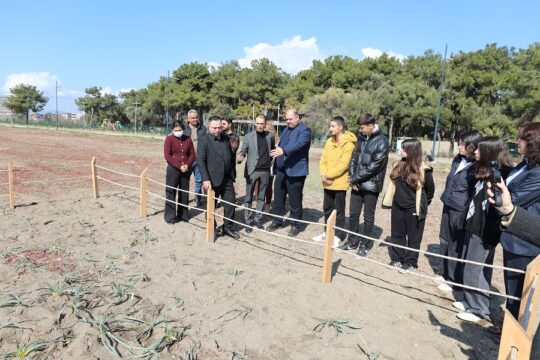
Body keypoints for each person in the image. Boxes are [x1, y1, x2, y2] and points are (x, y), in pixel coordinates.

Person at [454, 136, 514, 323]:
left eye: (479, 149)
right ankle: (471, 300)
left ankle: (479, 309)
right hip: (473, 225)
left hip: (484, 231)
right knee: (473, 266)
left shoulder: (500, 176)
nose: (475, 152)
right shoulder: (483, 171)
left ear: (489, 152)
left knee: (474, 268)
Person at [500, 122, 540, 319]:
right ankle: (508, 324)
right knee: (511, 286)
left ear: (533, 143)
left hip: (525, 241)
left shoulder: (538, 172)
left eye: (521, 138)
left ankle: (514, 333)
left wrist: (500, 194)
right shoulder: (525, 164)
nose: (517, 142)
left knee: (519, 290)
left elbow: (515, 198)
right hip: (512, 234)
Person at [437, 130, 482, 292]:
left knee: (456, 243)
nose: (459, 146)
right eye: (459, 143)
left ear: (473, 146)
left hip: (461, 209)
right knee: (444, 239)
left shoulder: (477, 166)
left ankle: (453, 279)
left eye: (463, 144)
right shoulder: (457, 161)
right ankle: (444, 272)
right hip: (448, 204)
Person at [340, 113, 389, 257]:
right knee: (354, 214)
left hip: (371, 185)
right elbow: (354, 159)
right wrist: (353, 178)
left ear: (371, 125)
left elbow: (375, 166)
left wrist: (355, 178)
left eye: (362, 128)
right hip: (356, 184)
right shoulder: (360, 138)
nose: (360, 131)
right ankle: (352, 241)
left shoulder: (382, 141)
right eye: (359, 128)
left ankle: (365, 244)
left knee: (368, 216)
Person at [382, 139, 435, 272]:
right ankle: (397, 259)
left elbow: (430, 191)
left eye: (404, 149)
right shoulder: (398, 165)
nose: (401, 151)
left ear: (412, 151)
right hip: (397, 207)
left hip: (413, 209)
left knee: (414, 237)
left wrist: (422, 204)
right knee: (397, 234)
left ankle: (411, 262)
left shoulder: (424, 170)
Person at [312, 116, 357, 247]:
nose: (330, 128)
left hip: (339, 183)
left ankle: (338, 235)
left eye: (333, 126)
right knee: (327, 209)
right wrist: (324, 175)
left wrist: (329, 175)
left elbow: (344, 165)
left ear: (340, 127)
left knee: (339, 210)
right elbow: (323, 160)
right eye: (330, 126)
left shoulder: (349, 145)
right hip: (327, 182)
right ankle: (327, 232)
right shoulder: (328, 142)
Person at [267, 109, 312, 237]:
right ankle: (277, 221)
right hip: (281, 170)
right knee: (279, 197)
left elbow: (299, 145)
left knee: (295, 199)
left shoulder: (305, 130)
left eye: (290, 119)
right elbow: (281, 144)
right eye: (286, 119)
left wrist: (284, 151)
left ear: (297, 117)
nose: (287, 121)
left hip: (295, 171)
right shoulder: (287, 129)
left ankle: (295, 225)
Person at [197, 116, 240, 240]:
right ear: (209, 127)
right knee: (210, 206)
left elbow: (230, 157)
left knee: (231, 204)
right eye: (214, 128)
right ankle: (212, 228)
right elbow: (200, 160)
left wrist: (232, 174)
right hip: (211, 180)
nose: (217, 130)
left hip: (227, 179)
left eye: (219, 127)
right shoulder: (204, 139)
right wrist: (205, 178)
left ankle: (228, 227)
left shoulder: (226, 138)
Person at [237, 114, 276, 233]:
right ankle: (248, 222)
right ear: (255, 124)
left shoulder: (270, 136)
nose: (259, 126)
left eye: (262, 123)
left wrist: (271, 163)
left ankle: (258, 219)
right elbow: (243, 150)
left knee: (261, 197)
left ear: (265, 124)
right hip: (252, 171)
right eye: (257, 123)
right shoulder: (248, 136)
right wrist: (241, 156)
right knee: (248, 197)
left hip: (265, 171)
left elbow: (273, 150)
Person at [163, 121, 196, 224]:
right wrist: (179, 166)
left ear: (183, 129)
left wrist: (187, 165)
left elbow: (192, 154)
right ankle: (170, 216)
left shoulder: (188, 139)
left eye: (180, 130)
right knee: (171, 192)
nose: (178, 132)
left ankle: (183, 215)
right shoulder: (169, 139)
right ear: (172, 130)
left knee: (184, 192)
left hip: (186, 170)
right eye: (176, 130)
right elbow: (167, 156)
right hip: (173, 170)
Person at [254, 122, 280, 212]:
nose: (263, 129)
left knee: (268, 186)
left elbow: (275, 153)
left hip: (270, 166)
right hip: (258, 166)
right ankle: (259, 204)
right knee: (257, 185)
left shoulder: (275, 140)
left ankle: (268, 204)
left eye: (265, 128)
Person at [183, 110, 207, 208]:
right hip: (187, 160)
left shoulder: (203, 128)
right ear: (188, 119)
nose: (195, 120)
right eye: (192, 118)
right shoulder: (183, 129)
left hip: (199, 160)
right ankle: (184, 199)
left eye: (196, 117)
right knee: (185, 181)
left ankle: (198, 198)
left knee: (199, 181)